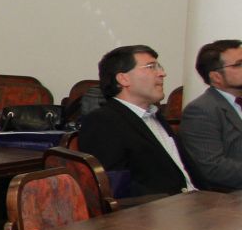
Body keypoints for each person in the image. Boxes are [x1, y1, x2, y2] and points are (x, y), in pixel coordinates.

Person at [79, 45, 194, 197]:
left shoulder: (155, 116)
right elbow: (114, 186)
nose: (162, 73)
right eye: (151, 67)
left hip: (195, 200)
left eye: (159, 67)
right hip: (158, 207)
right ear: (124, 79)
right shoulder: (103, 121)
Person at [179, 39, 242, 192]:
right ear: (216, 77)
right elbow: (213, 168)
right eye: (238, 64)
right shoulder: (201, 110)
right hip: (229, 198)